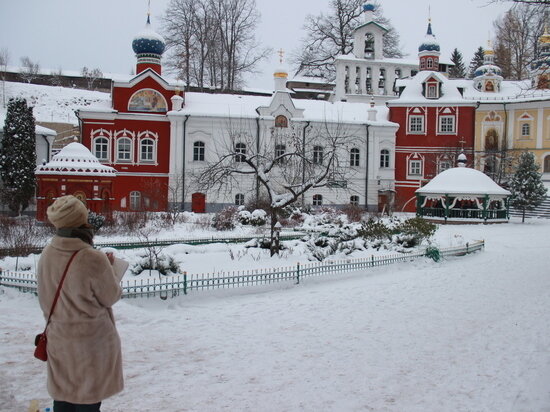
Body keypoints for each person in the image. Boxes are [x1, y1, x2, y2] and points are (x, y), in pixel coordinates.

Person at [37, 195, 128, 412]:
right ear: (81, 219)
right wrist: (110, 269)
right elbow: (110, 296)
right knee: (88, 404)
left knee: (63, 401)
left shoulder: (47, 253)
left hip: (59, 340)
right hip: (90, 346)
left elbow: (44, 295)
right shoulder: (91, 257)